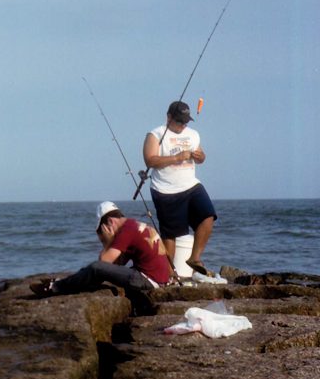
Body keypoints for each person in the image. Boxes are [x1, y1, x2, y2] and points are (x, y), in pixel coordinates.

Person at [30, 202, 172, 296]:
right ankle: (66, 282)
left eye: (102, 232)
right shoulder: (134, 225)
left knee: (95, 267)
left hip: (148, 281)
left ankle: (55, 288)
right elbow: (117, 264)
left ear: (110, 222)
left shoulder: (127, 230)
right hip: (158, 279)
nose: (104, 237)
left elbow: (103, 262)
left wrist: (109, 242)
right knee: (95, 271)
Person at [142, 100, 218, 275]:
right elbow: (150, 160)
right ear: (169, 117)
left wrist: (200, 156)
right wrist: (176, 158)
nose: (183, 125)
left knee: (208, 216)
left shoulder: (193, 134)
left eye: (186, 121)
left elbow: (201, 156)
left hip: (190, 185)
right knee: (171, 235)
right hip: (165, 190)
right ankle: (168, 274)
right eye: (179, 121)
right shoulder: (155, 134)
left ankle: (195, 258)